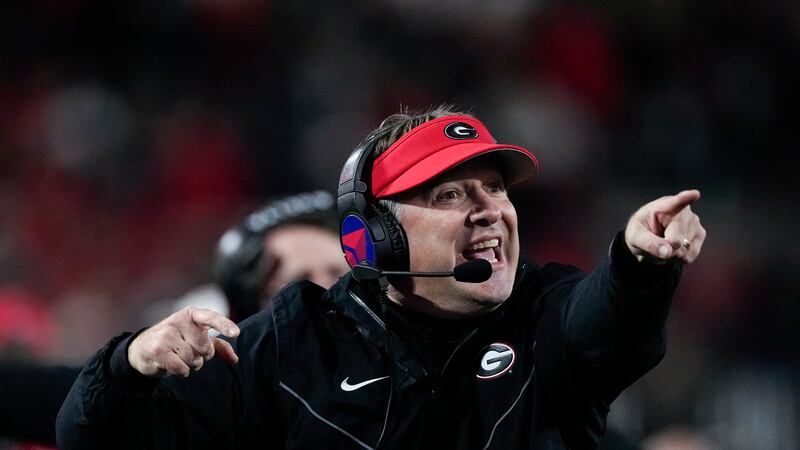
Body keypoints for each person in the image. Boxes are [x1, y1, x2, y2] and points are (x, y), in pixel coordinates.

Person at [56, 106, 706, 449]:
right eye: (451, 194)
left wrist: (638, 260)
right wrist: (128, 364)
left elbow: (608, 321)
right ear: (377, 236)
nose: (489, 209)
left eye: (493, 188)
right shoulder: (290, 343)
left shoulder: (545, 314)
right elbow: (95, 438)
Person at [0, 191, 348, 448]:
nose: (323, 291)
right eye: (296, 283)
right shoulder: (229, 395)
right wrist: (128, 360)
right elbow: (69, 410)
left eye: (339, 272)